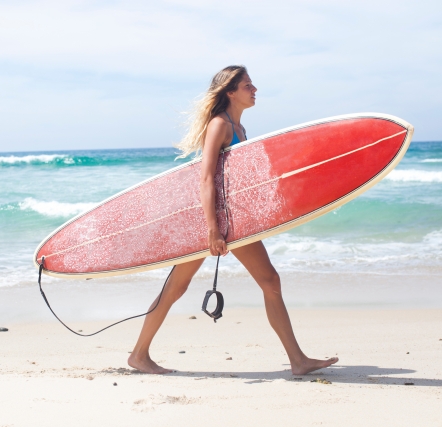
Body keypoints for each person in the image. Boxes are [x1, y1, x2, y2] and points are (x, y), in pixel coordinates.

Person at [127, 65, 338, 375]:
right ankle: (297, 361)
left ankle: (139, 355)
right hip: (216, 222)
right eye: (248, 86)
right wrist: (213, 229)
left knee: (182, 288)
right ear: (230, 92)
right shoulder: (220, 126)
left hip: (232, 219)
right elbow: (206, 178)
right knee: (266, 281)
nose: (254, 90)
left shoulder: (239, 129)